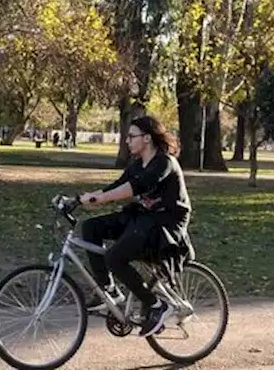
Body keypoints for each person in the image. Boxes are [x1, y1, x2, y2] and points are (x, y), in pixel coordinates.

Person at [76, 115, 193, 338]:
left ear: (147, 138)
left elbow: (136, 187)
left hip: (165, 226)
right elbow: (118, 185)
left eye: (131, 136)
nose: (127, 141)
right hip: (143, 219)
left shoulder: (164, 162)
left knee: (114, 257)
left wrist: (99, 199)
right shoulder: (137, 164)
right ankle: (109, 290)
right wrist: (82, 199)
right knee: (91, 228)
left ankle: (157, 305)